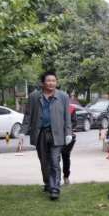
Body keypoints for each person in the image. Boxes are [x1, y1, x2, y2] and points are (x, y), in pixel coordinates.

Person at [19, 71, 72, 200]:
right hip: (40, 133)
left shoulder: (63, 96)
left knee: (55, 161)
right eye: (48, 81)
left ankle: (55, 189)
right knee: (44, 162)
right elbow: (28, 115)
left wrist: (68, 133)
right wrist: (23, 131)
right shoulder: (34, 97)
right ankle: (48, 184)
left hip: (56, 134)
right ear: (43, 82)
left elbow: (67, 116)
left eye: (53, 80)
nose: (51, 83)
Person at [61, 104, 78, 185]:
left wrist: (67, 127)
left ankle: (66, 176)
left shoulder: (71, 108)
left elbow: (74, 122)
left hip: (67, 136)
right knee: (54, 158)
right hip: (54, 135)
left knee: (66, 157)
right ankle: (55, 178)